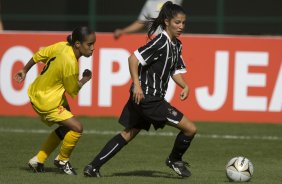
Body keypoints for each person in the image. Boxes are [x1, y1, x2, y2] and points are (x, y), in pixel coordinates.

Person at [84, 1, 196, 178]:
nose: (181, 26)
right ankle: (174, 160)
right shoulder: (160, 42)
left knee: (128, 134)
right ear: (166, 22)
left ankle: (93, 167)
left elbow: (174, 70)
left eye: (183, 23)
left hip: (143, 99)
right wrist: (137, 85)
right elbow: (132, 59)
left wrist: (185, 85)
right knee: (190, 129)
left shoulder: (176, 45)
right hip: (149, 99)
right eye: (177, 22)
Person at [14, 26, 96, 175]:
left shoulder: (61, 46)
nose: (92, 48)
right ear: (77, 44)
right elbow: (72, 90)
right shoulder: (71, 63)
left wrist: (24, 70)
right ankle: (62, 160)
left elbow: (38, 55)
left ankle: (38, 160)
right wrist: (85, 79)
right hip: (48, 101)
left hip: (38, 92)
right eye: (89, 44)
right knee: (77, 128)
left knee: (67, 128)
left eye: (93, 44)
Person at [114, 0, 183, 39]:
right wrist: (123, 31)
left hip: (171, 39)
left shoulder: (175, 1)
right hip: (154, 41)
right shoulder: (150, 3)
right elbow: (140, 22)